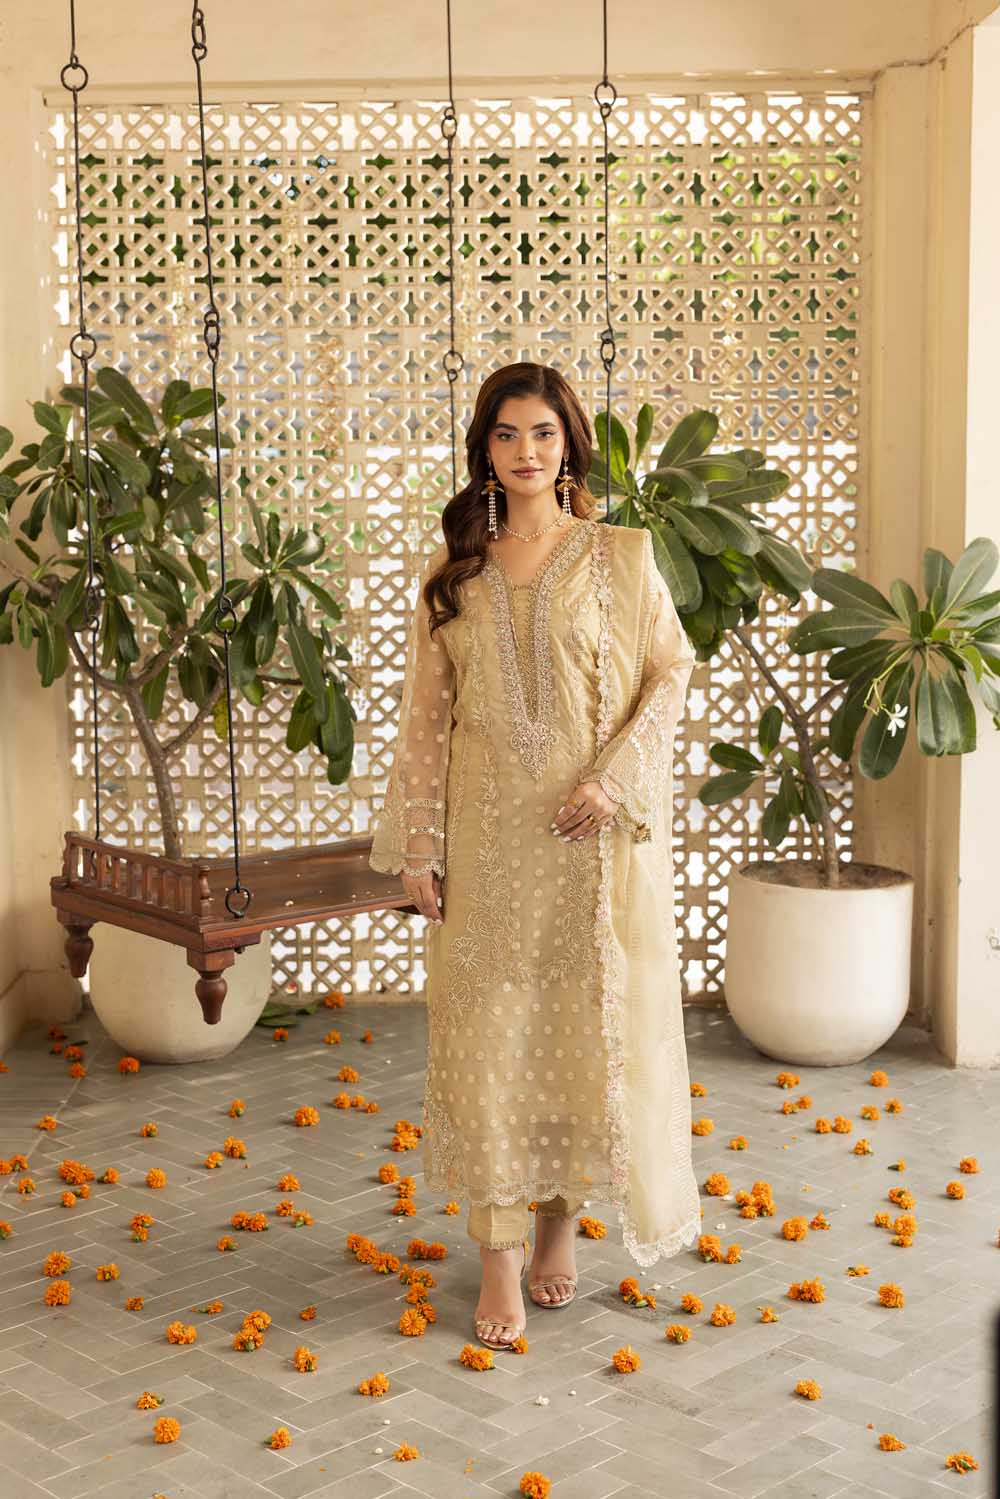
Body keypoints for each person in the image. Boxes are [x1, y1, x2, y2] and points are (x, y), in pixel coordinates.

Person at [368, 361, 700, 1351]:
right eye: (507, 435)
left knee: (572, 1034)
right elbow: (425, 724)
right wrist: (419, 847)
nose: (525, 452)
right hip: (486, 848)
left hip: (586, 845)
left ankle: (558, 1225)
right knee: (489, 1045)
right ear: (484, 450)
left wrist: (615, 777)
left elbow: (670, 673)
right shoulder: (454, 575)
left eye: (543, 434)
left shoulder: (619, 557)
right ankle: (500, 1253)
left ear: (569, 446)